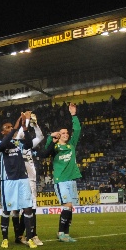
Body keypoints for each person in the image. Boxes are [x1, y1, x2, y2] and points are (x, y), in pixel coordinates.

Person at [0, 113, 37, 249]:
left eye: (12, 127)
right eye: (8, 127)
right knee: (7, 210)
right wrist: (14, 129)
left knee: (28, 208)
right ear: (3, 131)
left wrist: (24, 129)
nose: (11, 128)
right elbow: (2, 146)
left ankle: (29, 238)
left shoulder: (19, 143)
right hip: (8, 181)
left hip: (22, 179)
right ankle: (5, 239)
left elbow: (29, 144)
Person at [41, 102, 82, 242]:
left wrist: (73, 115)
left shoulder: (72, 145)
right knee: (67, 206)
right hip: (61, 180)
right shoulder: (55, 147)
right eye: (62, 132)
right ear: (59, 135)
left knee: (70, 208)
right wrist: (50, 137)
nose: (65, 134)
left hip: (71, 180)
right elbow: (46, 149)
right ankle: (60, 233)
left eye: (67, 133)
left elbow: (77, 129)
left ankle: (66, 234)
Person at [18, 110, 45, 246]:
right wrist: (26, 121)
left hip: (31, 180)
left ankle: (24, 235)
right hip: (22, 180)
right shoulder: (17, 144)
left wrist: (35, 124)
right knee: (27, 209)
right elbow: (21, 133)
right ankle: (32, 235)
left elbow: (40, 137)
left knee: (30, 208)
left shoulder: (28, 146)